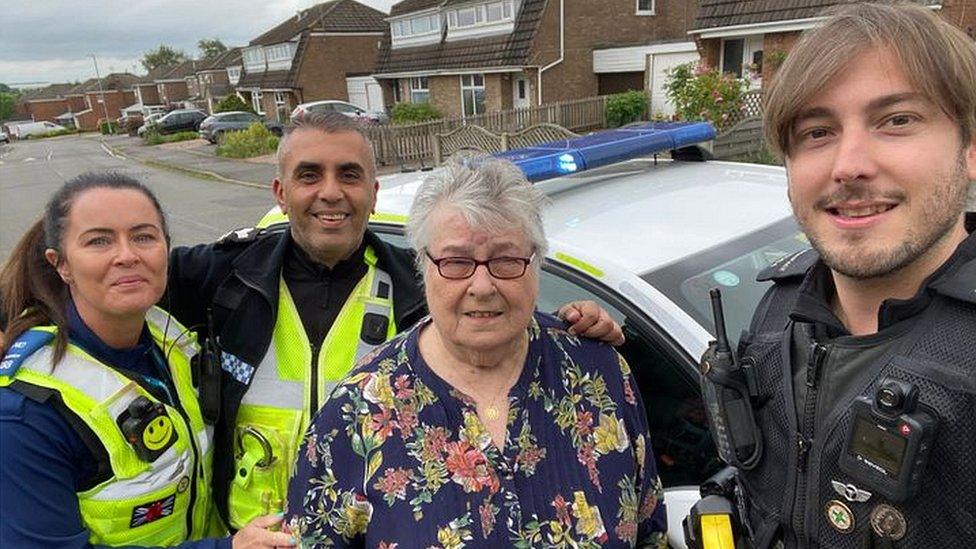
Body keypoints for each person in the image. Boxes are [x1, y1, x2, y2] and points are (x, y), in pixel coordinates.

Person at [165, 112, 625, 530]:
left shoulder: (421, 282)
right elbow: (115, 287)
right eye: (309, 175)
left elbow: (494, 311)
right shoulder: (223, 276)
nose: (331, 191)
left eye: (349, 174)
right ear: (280, 193)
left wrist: (572, 325)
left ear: (372, 191)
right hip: (248, 538)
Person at [285, 156, 668, 547]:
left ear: (536, 263)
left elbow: (649, 531)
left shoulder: (598, 374)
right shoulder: (355, 413)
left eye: (505, 260)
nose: (482, 285)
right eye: (456, 262)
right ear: (423, 266)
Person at [702, 2, 976, 547]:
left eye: (897, 120)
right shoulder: (780, 309)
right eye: (817, 132)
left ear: (969, 150)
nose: (849, 164)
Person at [0, 173, 295, 547]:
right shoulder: (25, 411)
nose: (127, 256)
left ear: (166, 249)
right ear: (61, 264)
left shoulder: (167, 336)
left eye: (143, 236)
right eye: (99, 241)